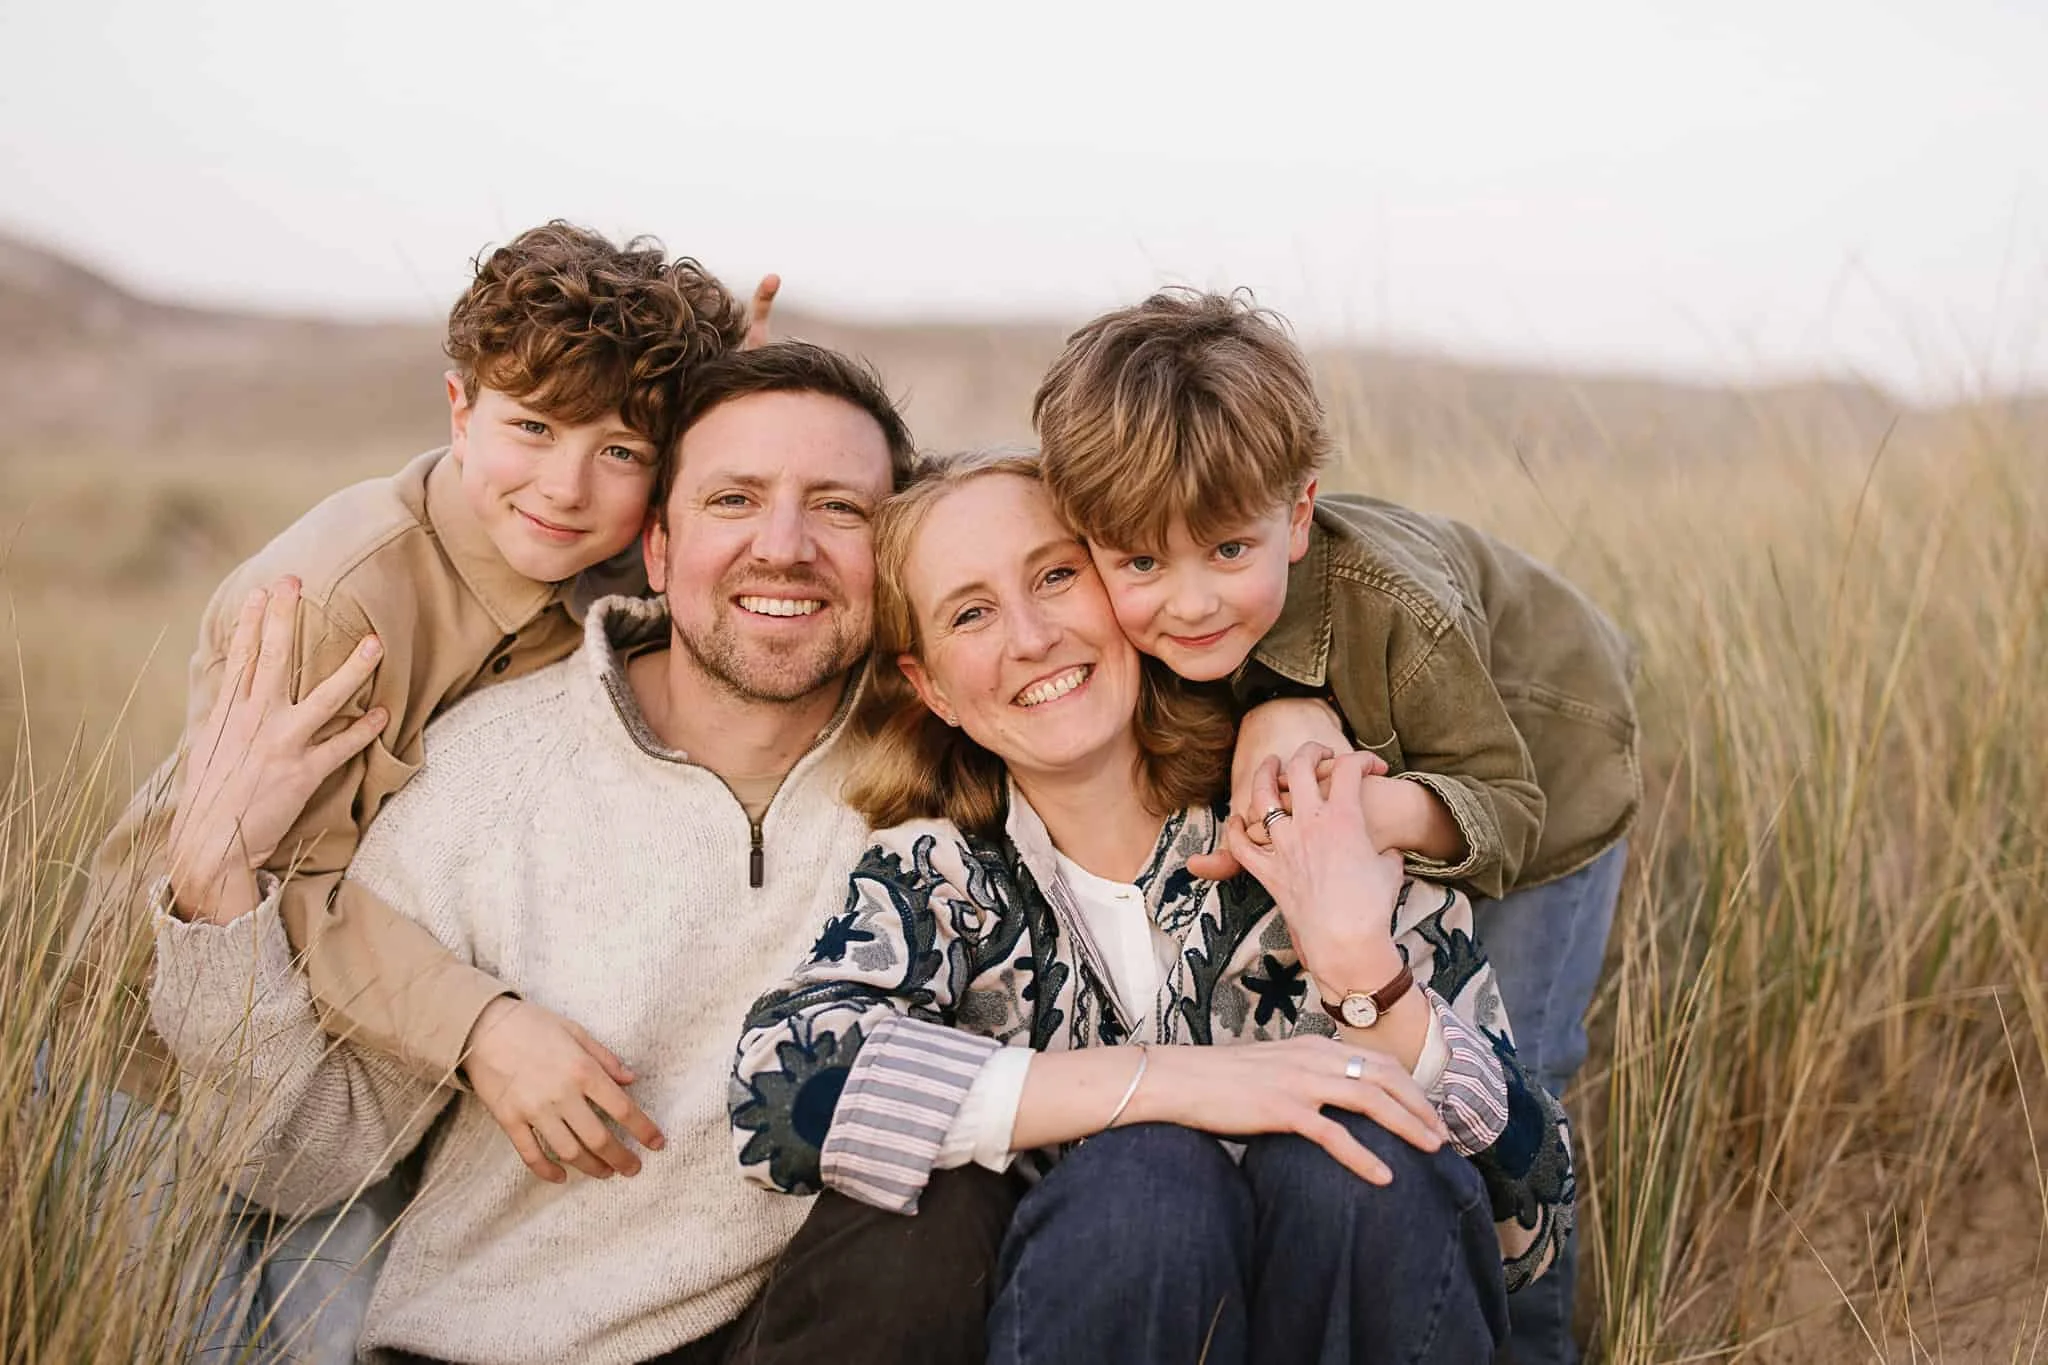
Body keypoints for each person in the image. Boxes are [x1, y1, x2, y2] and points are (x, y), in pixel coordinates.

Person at [148, 344, 1015, 1364]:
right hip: (505, 1344)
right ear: (655, 548)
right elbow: (297, 1165)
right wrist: (212, 891)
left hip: (802, 1331)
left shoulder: (962, 763)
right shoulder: (481, 775)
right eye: (733, 500)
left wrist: (1262, 723)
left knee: (949, 1189)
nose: (782, 548)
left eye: (839, 509)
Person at [64, 221, 773, 1358]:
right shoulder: (335, 602)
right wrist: (482, 1027)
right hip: (153, 1070)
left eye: (622, 450)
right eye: (529, 428)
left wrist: (749, 418)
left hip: (364, 1084)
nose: (564, 485)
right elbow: (262, 884)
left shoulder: (595, 567)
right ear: (458, 409)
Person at [731, 452, 1577, 1364]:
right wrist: (1166, 1083)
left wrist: (1362, 974)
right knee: (1147, 1179)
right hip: (1101, 1306)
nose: (1030, 636)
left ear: (1122, 585)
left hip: (1353, 1304)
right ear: (933, 686)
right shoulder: (942, 878)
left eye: (1056, 575)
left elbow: (1534, 1207)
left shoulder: (1314, 812)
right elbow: (781, 1096)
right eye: (970, 613)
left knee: (1350, 1161)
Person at [1031, 289, 1640, 1363]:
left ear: (1298, 513)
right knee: (1372, 1045)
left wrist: (1348, 814)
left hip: (1543, 754)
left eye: (1226, 551)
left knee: (1514, 1060)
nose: (1187, 605)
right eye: (1138, 564)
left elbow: (1503, 804)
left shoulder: (1392, 609)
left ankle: (1537, 1344)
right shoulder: (1196, 613)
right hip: (1385, 759)